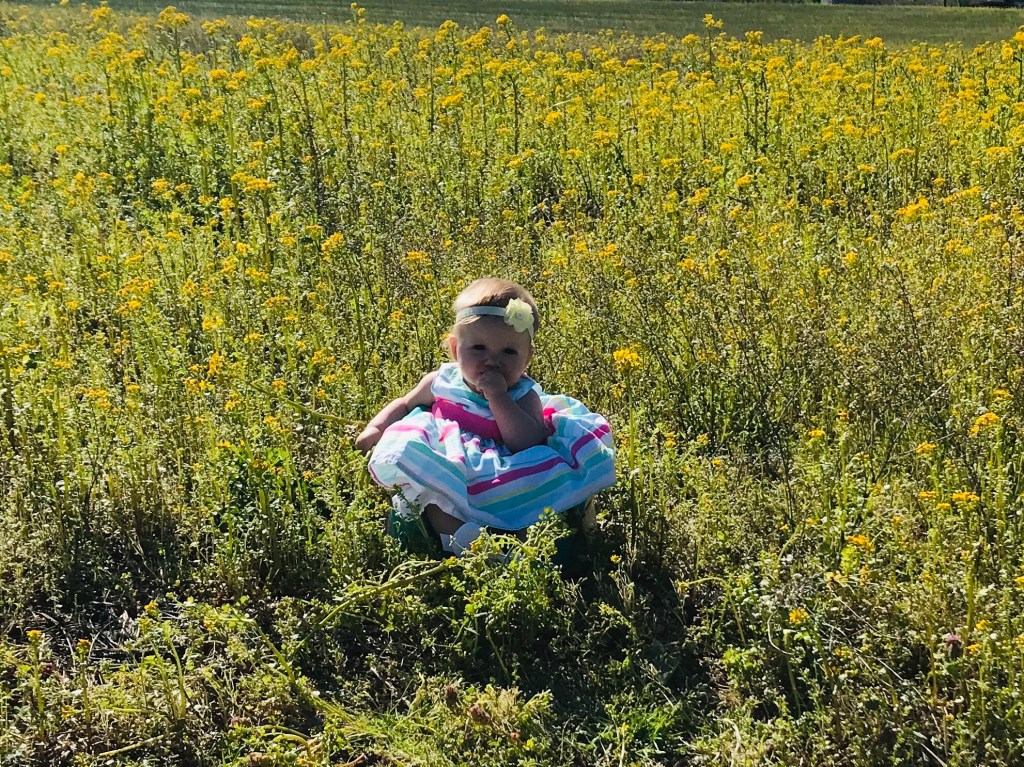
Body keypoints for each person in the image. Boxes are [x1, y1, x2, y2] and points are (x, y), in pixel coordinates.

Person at [355, 277, 616, 555]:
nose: (492, 360)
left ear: (527, 357)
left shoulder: (523, 395)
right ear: (455, 349)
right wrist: (376, 428)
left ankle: (525, 546)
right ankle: (471, 547)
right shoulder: (441, 381)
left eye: (509, 351)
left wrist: (499, 398)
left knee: (531, 501)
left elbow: (527, 442)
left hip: (504, 469)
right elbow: (405, 404)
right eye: (478, 348)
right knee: (437, 498)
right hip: (451, 460)